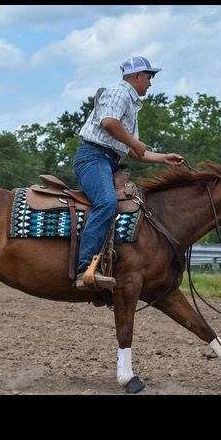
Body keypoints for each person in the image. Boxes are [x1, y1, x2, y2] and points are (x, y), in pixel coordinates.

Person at [72, 56, 184, 290]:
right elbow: (109, 122)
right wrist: (134, 141)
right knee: (106, 202)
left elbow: (136, 151)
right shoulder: (119, 92)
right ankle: (85, 269)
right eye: (149, 76)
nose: (151, 82)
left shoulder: (131, 103)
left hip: (107, 160)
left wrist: (164, 158)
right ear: (135, 76)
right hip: (93, 158)